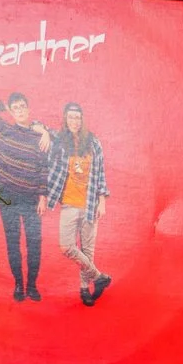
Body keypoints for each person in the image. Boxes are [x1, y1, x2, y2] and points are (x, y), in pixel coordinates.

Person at [0, 93, 53, 301]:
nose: (20, 110)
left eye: (23, 106)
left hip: (31, 197)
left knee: (34, 243)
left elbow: (43, 169)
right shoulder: (2, 129)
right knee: (13, 241)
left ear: (29, 109)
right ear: (11, 112)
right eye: (16, 108)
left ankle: (31, 286)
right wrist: (5, 103)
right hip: (7, 196)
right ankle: (19, 285)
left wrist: (42, 196)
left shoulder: (39, 136)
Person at [44, 101, 112, 306]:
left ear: (82, 120)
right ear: (65, 119)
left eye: (78, 117)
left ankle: (85, 289)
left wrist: (102, 201)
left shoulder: (93, 142)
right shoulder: (59, 140)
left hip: (90, 203)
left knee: (87, 248)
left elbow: (100, 173)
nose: (74, 121)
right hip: (69, 204)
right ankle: (99, 277)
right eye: (71, 117)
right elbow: (36, 124)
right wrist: (44, 132)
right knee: (67, 247)